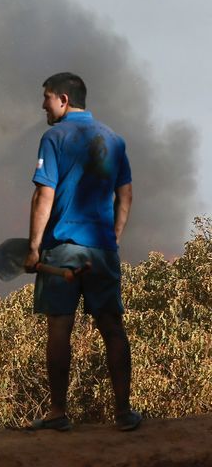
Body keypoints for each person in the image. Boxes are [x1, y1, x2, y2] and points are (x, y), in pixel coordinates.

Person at [24, 72, 140, 432]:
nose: (43, 104)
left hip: (63, 250)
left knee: (60, 328)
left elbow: (44, 194)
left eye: (46, 97)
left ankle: (58, 413)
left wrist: (33, 247)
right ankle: (123, 412)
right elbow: (126, 195)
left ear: (63, 99)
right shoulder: (114, 140)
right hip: (102, 249)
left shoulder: (54, 137)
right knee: (112, 327)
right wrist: (113, 237)